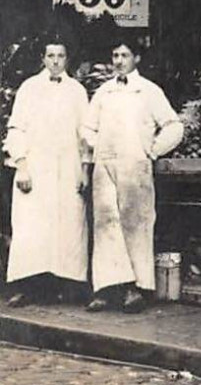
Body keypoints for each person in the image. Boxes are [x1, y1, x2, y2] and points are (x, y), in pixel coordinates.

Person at [82, 37, 183, 313]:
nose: (118, 61)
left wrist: (152, 150)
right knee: (106, 224)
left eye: (124, 55)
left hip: (135, 166)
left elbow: (174, 126)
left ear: (136, 59)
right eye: (115, 55)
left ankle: (134, 289)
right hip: (105, 165)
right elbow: (87, 128)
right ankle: (106, 289)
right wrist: (97, 144)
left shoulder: (148, 91)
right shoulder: (103, 92)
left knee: (135, 224)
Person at [2, 39, 90, 306]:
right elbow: (17, 129)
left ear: (67, 60)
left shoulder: (77, 91)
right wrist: (22, 165)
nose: (55, 61)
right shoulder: (29, 88)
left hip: (67, 169)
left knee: (68, 226)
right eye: (50, 55)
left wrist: (84, 169)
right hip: (35, 169)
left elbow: (85, 134)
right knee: (32, 228)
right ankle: (27, 287)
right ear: (42, 58)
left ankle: (66, 287)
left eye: (60, 56)